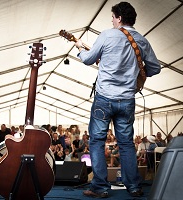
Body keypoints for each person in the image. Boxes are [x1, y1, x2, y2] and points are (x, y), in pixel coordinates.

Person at [74, 2, 161, 198]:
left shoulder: (107, 35)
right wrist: (133, 71)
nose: (112, 21)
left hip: (104, 98)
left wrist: (80, 48)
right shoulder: (141, 40)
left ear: (119, 18)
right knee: (126, 144)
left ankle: (100, 187)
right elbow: (155, 68)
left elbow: (88, 59)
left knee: (96, 141)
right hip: (127, 100)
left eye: (113, 17)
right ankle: (134, 187)